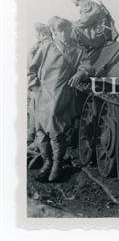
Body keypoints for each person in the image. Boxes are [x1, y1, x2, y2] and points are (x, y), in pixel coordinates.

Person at [28, 18, 94, 182]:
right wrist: (34, 88)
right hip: (42, 93)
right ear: (55, 33)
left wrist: (80, 73)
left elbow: (87, 66)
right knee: (41, 130)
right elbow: (31, 69)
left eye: (66, 30)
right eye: (60, 31)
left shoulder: (78, 50)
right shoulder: (47, 47)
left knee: (56, 130)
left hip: (61, 94)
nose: (64, 34)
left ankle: (57, 166)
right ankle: (47, 162)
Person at [27, 23, 53, 145]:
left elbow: (31, 64)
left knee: (35, 111)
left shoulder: (40, 46)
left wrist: (33, 84)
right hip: (46, 85)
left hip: (40, 84)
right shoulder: (52, 45)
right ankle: (35, 137)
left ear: (40, 34)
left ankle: (34, 137)